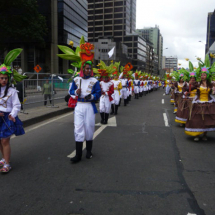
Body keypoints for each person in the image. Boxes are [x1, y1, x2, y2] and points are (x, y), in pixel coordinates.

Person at [69, 42, 101, 163]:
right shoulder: (76, 79)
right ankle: (78, 155)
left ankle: (88, 151)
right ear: (83, 68)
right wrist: (76, 92)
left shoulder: (95, 80)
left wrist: (91, 96)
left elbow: (98, 93)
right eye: (87, 68)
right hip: (79, 106)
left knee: (89, 128)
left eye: (90, 68)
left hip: (89, 106)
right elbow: (71, 91)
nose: (88, 70)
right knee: (78, 128)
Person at [0, 62, 25, 173]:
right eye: (1, 78)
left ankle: (7, 163)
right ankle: (3, 158)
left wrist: (12, 114)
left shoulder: (12, 91)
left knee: (5, 140)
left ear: (8, 79)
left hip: (7, 118)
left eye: (5, 78)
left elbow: (17, 105)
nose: (4, 80)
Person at [185, 65, 215, 141]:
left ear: (207, 76)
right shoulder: (197, 84)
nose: (202, 76)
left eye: (204, 75)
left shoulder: (210, 84)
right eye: (201, 75)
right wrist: (188, 89)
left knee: (206, 120)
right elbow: (189, 88)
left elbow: (212, 92)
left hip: (208, 104)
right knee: (197, 119)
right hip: (198, 104)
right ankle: (197, 134)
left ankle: (205, 134)